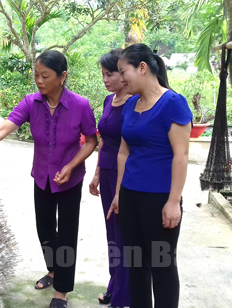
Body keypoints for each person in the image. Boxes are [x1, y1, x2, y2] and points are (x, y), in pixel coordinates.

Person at [0, 50, 97, 308]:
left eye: (44, 76)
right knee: (45, 229)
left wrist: (71, 166)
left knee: (67, 233)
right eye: (36, 74)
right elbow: (3, 128)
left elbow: (92, 141)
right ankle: (53, 270)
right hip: (42, 177)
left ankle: (61, 291)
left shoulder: (80, 105)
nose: (38, 80)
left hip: (69, 180)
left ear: (62, 77)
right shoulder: (31, 103)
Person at [107, 43, 192, 308]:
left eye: (123, 72)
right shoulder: (131, 104)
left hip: (159, 200)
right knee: (136, 265)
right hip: (131, 197)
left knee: (162, 266)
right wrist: (119, 193)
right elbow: (123, 152)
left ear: (142, 68)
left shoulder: (172, 103)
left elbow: (182, 155)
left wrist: (173, 201)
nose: (120, 79)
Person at [89, 49, 130, 308]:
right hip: (106, 172)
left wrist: (117, 189)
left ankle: (124, 296)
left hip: (123, 175)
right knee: (111, 235)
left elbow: (129, 146)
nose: (105, 79)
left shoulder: (134, 103)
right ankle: (114, 286)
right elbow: (103, 140)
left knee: (124, 236)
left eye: (110, 74)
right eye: (103, 74)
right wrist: (95, 174)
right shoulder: (108, 100)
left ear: (123, 74)